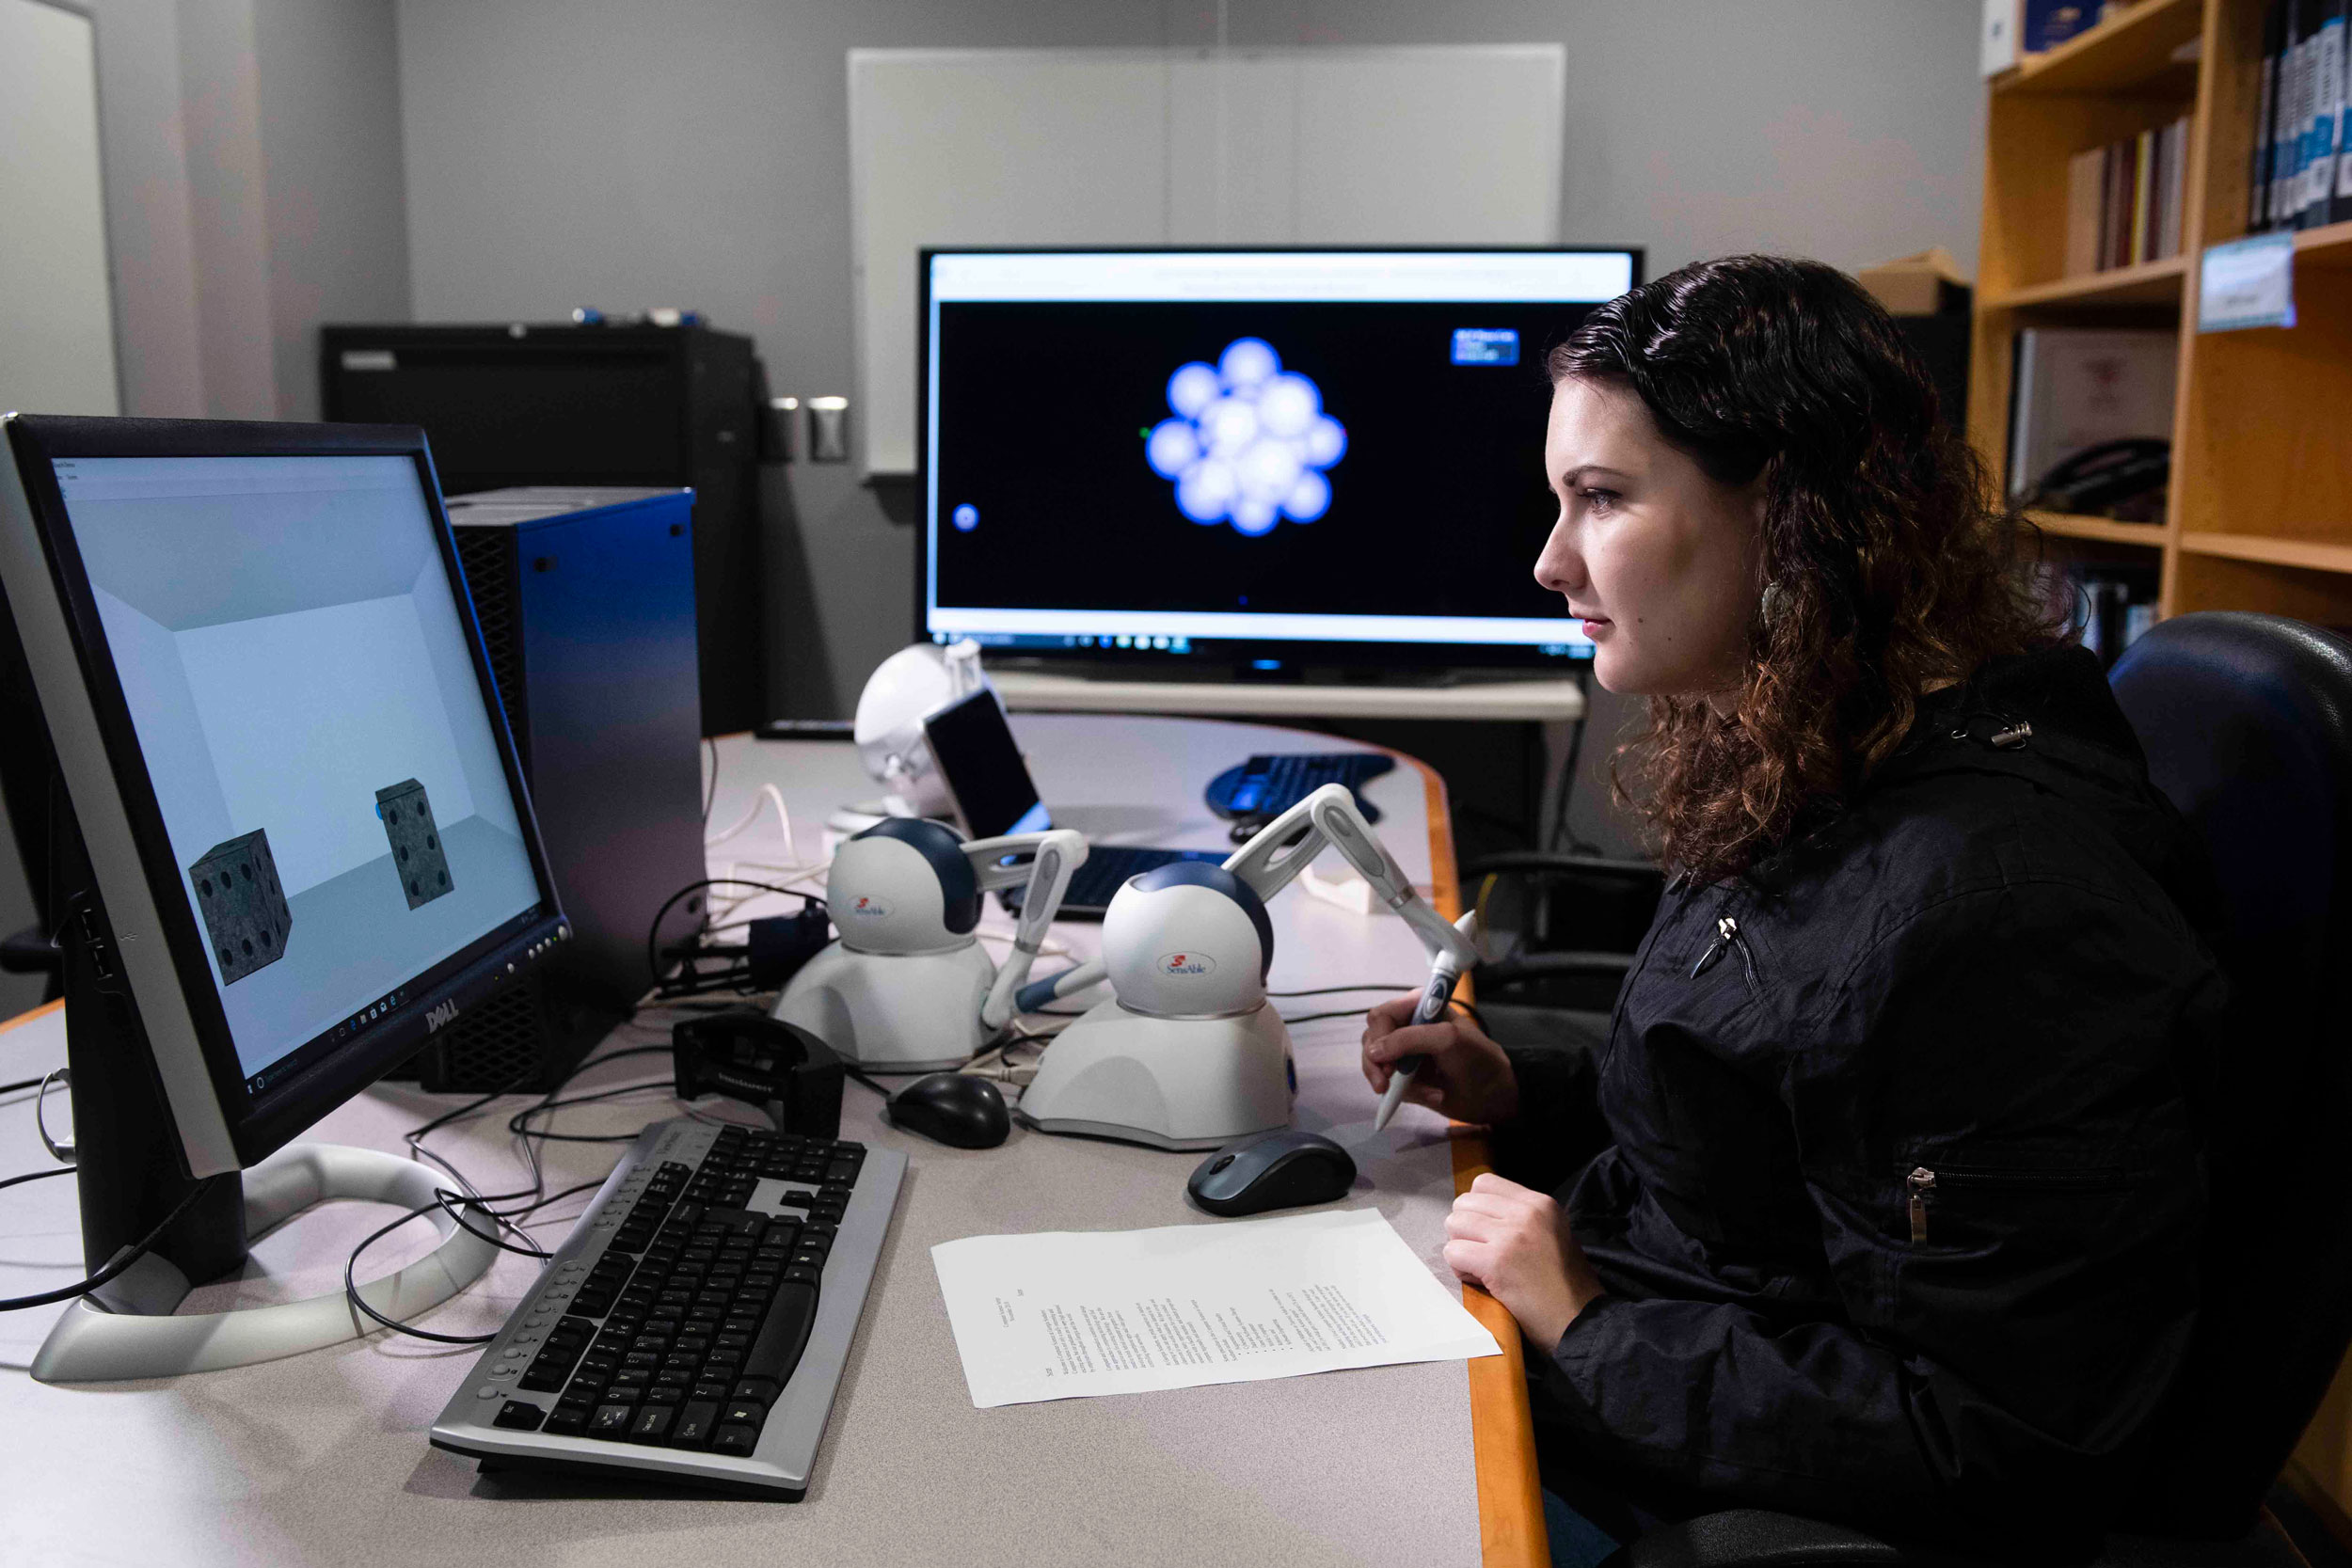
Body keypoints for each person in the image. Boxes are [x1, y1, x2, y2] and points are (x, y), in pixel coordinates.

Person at [1361, 255, 2221, 1561]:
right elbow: (1769, 1115)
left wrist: (1588, 1323)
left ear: (1789, 517)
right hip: (1642, 1339)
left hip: (1699, 1461)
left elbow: (1996, 1439)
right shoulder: (1823, 737)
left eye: (1602, 498)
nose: (1549, 562)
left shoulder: (1996, 913)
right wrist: (1521, 1091)